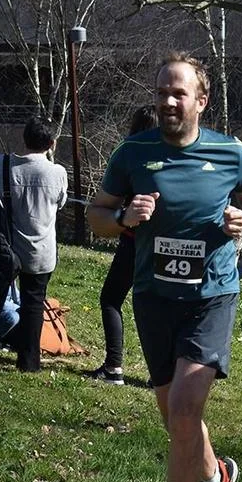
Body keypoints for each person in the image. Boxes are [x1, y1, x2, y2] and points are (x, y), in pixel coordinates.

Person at [86, 51, 242, 482]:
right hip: (154, 298)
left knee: (186, 409)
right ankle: (215, 476)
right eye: (162, 92)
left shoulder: (229, 151)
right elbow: (96, 215)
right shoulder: (133, 153)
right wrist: (124, 218)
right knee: (174, 415)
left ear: (201, 100)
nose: (168, 101)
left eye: (179, 93)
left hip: (211, 296)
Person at [0, 116, 67, 372]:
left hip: (2, 248)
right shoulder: (57, 173)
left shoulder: (0, 165)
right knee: (33, 304)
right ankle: (28, 362)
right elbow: (60, 203)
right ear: (52, 143)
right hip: (41, 251)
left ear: (23, 139)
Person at [87, 106, 157, 386]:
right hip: (162, 242)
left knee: (111, 299)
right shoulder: (175, 159)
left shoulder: (131, 157)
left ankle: (114, 366)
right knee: (158, 305)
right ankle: (159, 373)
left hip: (133, 240)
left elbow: (109, 200)